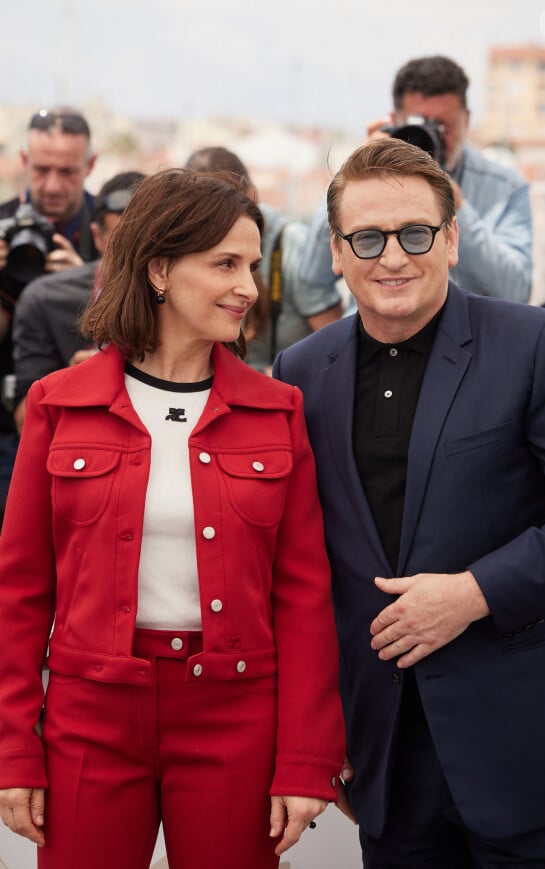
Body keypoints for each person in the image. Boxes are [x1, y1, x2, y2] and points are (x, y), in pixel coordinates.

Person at [0, 168, 344, 869]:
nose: (248, 285)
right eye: (224, 264)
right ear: (158, 268)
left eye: (251, 263)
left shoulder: (277, 411)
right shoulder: (57, 404)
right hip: (88, 717)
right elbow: (20, 590)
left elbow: (304, 595)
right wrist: (12, 748)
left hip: (235, 715)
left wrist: (307, 757)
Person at [273, 137, 545, 867]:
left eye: (415, 234)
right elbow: (300, 564)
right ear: (337, 252)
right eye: (368, 238)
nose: (393, 258)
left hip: (524, 745)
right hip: (385, 753)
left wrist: (476, 591)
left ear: (451, 240)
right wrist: (320, 732)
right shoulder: (300, 370)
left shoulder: (537, 342)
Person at [300, 54, 532, 315]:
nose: (436, 136)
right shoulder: (362, 180)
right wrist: (343, 344)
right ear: (394, 120)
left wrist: (457, 206)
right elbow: (311, 279)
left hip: (473, 345)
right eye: (421, 124)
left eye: (445, 126)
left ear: (467, 121)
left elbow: (517, 291)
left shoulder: (506, 187)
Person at [0, 106, 98, 506]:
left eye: (68, 172)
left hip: (85, 425)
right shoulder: (3, 224)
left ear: (90, 165)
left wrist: (90, 283)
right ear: (24, 161)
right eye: (41, 170)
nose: (52, 185)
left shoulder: (109, 230)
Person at [185, 147, 342, 372]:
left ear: (251, 196)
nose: (249, 291)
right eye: (226, 264)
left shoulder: (292, 245)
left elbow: (336, 346)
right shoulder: (190, 251)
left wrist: (277, 377)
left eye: (252, 266)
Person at [11, 171, 146, 432]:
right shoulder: (45, 299)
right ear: (97, 237)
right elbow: (24, 421)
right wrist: (73, 383)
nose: (138, 259)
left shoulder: (188, 302)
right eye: (123, 244)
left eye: (151, 244)